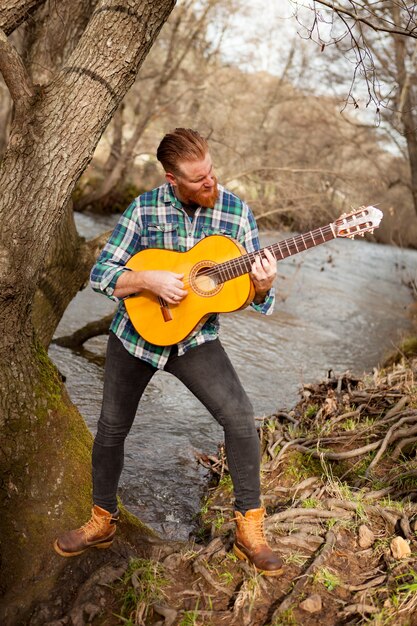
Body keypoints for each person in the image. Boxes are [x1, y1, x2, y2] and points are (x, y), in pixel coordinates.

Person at [54, 128, 283, 576]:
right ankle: (103, 520)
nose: (209, 184)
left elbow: (253, 296)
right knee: (111, 427)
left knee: (239, 418)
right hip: (136, 334)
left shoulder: (236, 213)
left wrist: (263, 285)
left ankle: (249, 531)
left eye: (211, 172)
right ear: (172, 179)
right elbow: (102, 272)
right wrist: (147, 280)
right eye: (198, 180)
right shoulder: (145, 207)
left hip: (194, 340)